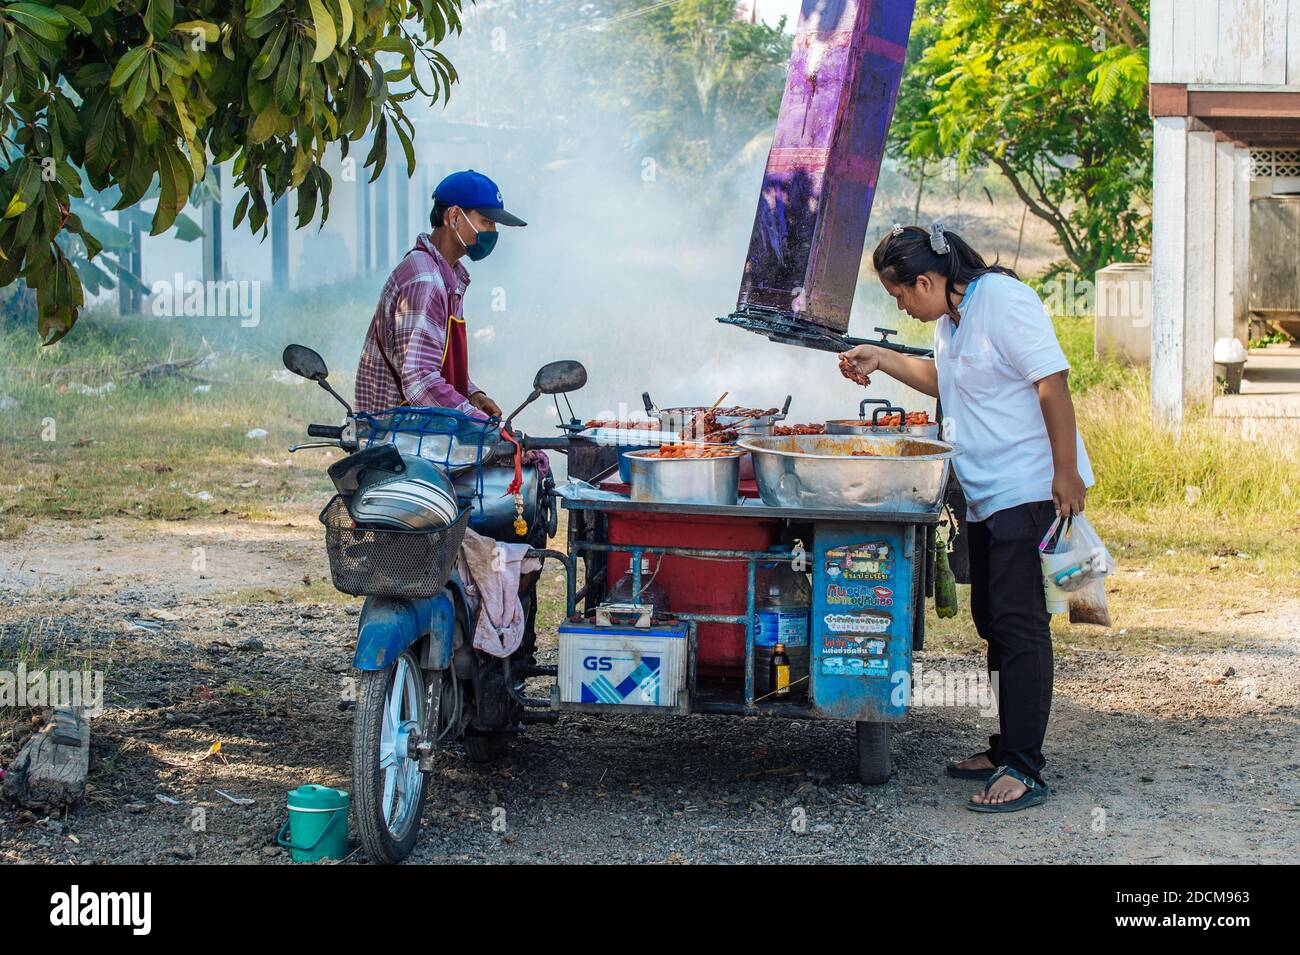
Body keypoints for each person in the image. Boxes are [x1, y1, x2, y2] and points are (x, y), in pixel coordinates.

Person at [839, 223, 1093, 813]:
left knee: (1020, 625)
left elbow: (1052, 384)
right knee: (993, 621)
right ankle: (1007, 746)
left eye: (901, 294)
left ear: (927, 280)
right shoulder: (952, 319)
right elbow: (942, 381)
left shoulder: (1002, 301)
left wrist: (1065, 473)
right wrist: (883, 358)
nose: (901, 305)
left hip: (1028, 489)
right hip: (984, 495)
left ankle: (1024, 769)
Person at [355, 169, 526, 417]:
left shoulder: (448, 278)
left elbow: (435, 364)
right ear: (454, 216)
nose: (493, 231)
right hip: (396, 437)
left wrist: (473, 395)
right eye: (486, 221)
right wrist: (477, 423)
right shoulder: (425, 280)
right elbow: (419, 381)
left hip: (427, 433)